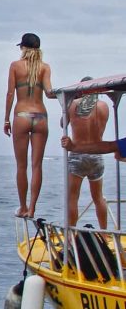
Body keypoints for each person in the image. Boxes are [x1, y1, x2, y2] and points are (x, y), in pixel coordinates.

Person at [4, 33, 55, 218]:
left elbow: (10, 93)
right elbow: (49, 93)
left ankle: (23, 207)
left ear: (24, 48)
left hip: (22, 115)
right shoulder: (45, 68)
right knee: (37, 166)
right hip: (41, 116)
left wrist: (6, 119)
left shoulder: (15, 66)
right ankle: (33, 209)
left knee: (21, 166)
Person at [61, 77, 110, 228]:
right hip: (96, 155)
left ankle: (71, 235)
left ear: (81, 89)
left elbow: (63, 124)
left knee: (73, 198)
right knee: (98, 198)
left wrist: (72, 100)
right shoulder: (104, 106)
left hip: (78, 153)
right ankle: (104, 231)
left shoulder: (73, 105)